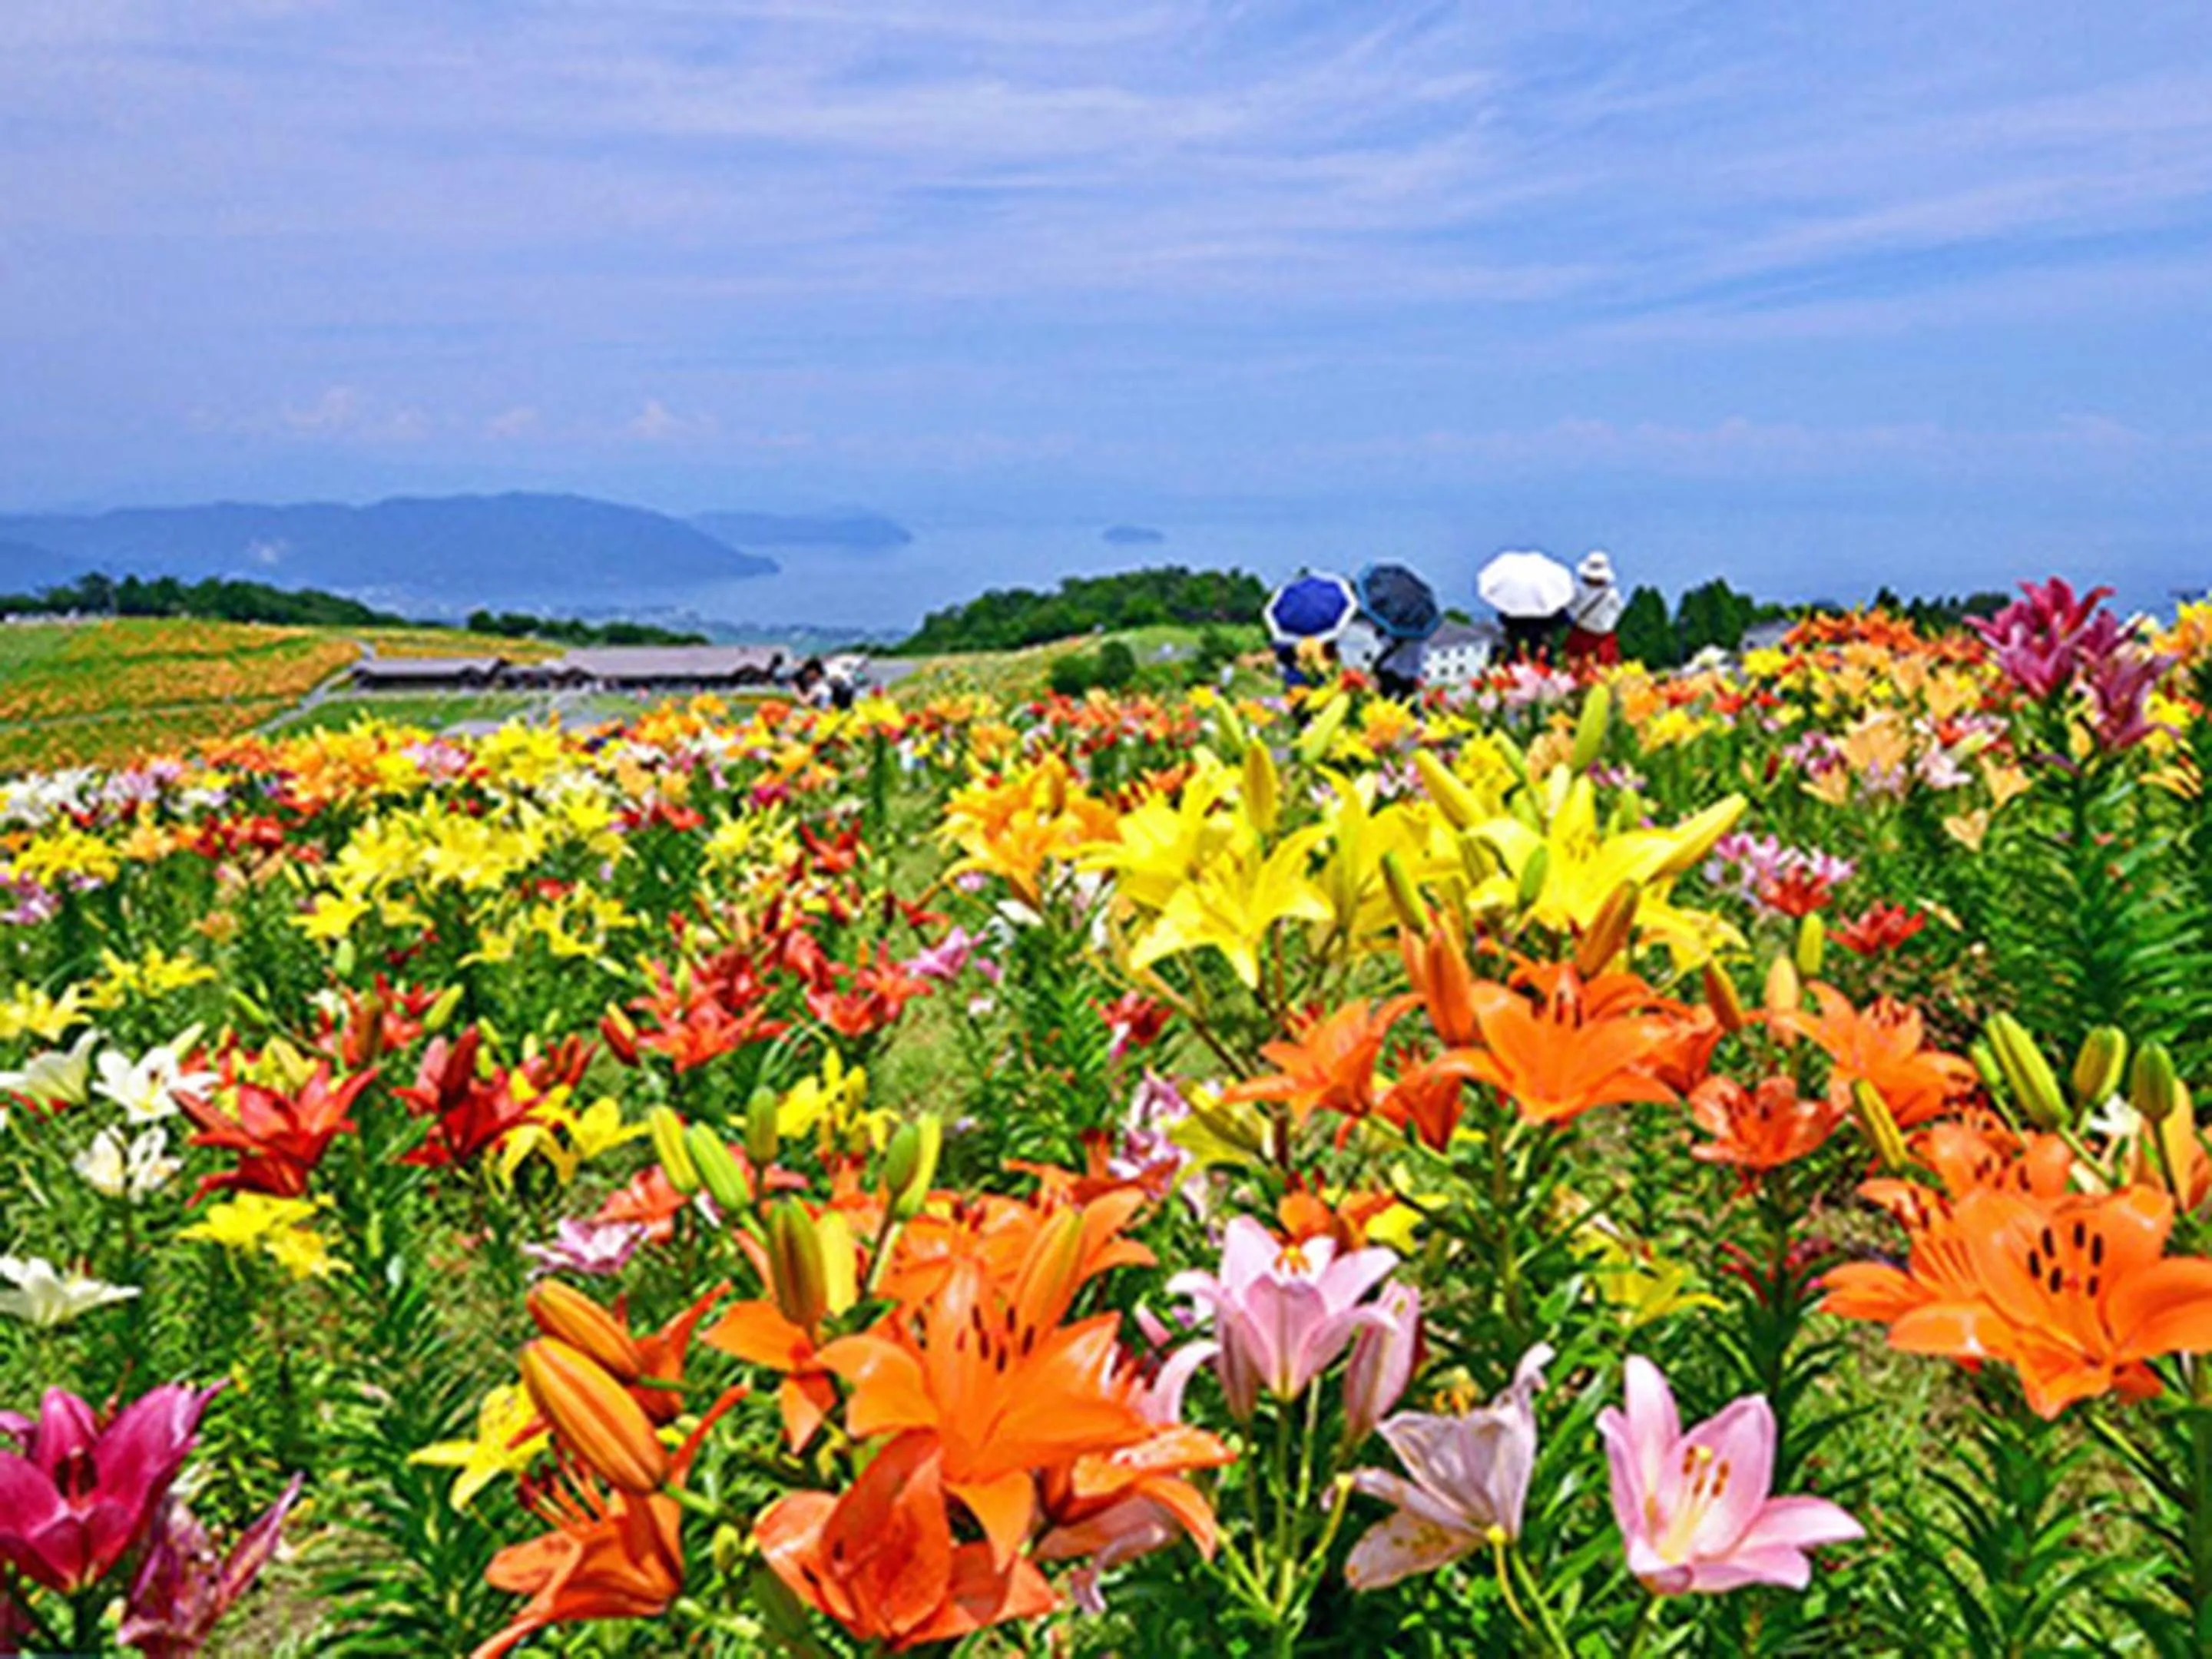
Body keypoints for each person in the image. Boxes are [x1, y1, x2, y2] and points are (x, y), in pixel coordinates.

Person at [1565, 550, 1625, 669]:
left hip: (1582, 633)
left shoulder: (1577, 590)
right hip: (1602, 636)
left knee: (1576, 670)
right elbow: (1618, 612)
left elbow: (1570, 608)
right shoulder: (1612, 594)